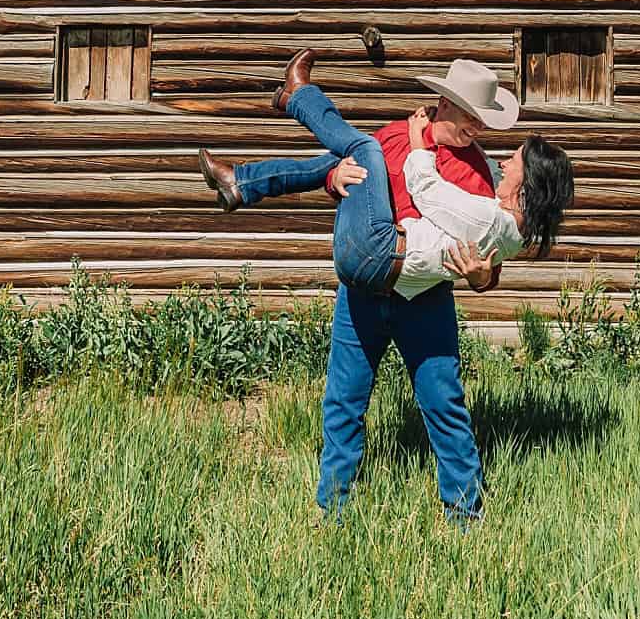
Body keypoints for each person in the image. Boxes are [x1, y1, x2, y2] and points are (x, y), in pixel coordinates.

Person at [194, 52, 573, 521]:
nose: (478, 128)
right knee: (343, 402)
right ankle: (333, 510)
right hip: (365, 293)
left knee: (444, 405)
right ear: (445, 105)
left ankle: (464, 513)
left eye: (483, 121)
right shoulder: (395, 135)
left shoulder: (480, 173)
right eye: (471, 117)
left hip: (424, 299)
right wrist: (334, 179)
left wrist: (482, 278)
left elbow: (486, 255)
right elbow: (350, 184)